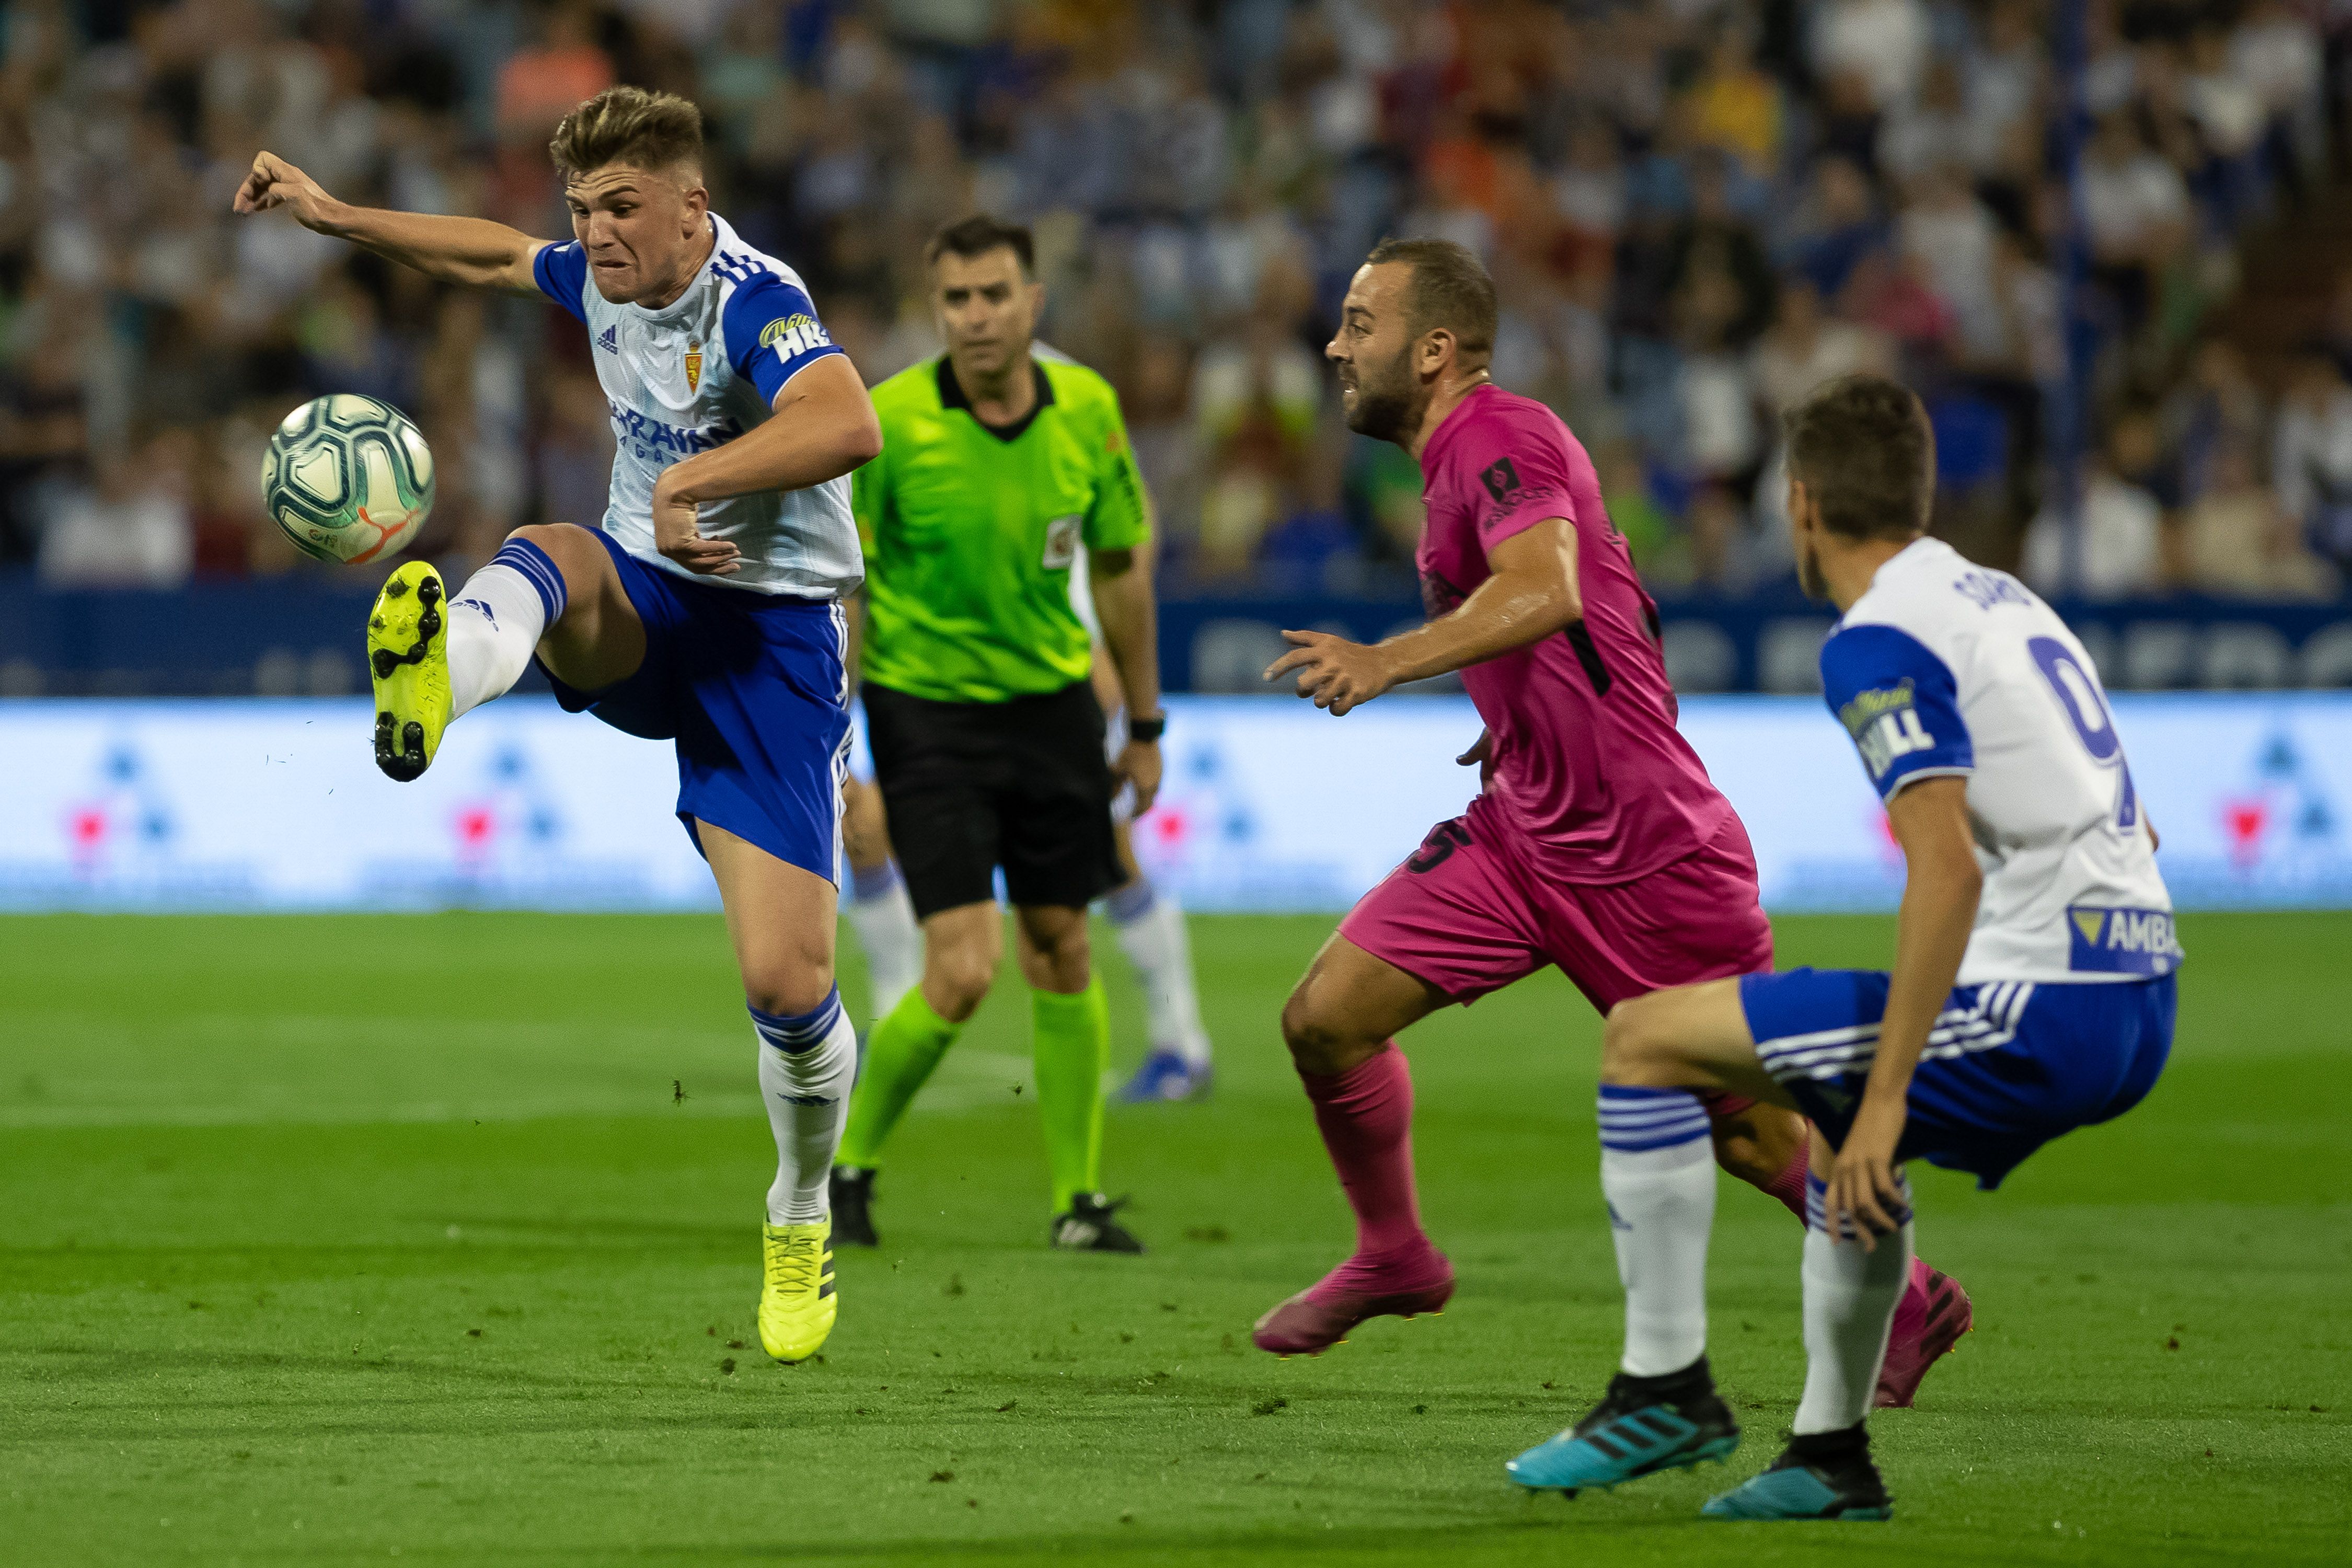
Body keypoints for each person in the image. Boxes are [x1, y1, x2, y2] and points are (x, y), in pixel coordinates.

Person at [1252, 240, 1967, 1410]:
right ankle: (1396, 1255)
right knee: (1326, 1021)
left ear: (1433, 351)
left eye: (1359, 323)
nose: (1336, 346)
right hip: (1528, 832)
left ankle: (1917, 1290)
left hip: (1648, 856)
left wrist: (1388, 662)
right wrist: (1524, 716)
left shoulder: (1499, 437)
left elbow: (1551, 589)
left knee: (1745, 1135)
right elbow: (1606, 609)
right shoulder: (1457, 462)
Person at [233, 86, 881, 1366]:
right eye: (583, 211)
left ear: (693, 207)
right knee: (551, 552)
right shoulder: (597, 276)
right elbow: (483, 250)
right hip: (647, 600)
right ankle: (435, 687)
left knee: (787, 987)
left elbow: (845, 421)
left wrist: (699, 473)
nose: (596, 235)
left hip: (774, 643)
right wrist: (331, 214)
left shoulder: (755, 297)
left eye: (623, 208)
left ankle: (799, 1210)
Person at [1508, 374, 2176, 1520]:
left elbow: (1949, 865)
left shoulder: (1873, 640)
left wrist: (1885, 1101)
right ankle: (1829, 1458)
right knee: (1824, 1138)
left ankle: (1665, 1386)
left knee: (1647, 1039)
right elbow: (2137, 825)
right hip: (2141, 992)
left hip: (2050, 1009)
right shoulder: (2005, 598)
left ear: (1803, 505)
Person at [829, 215, 1163, 1253]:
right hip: (926, 716)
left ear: (1033, 304)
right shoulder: (885, 425)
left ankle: (1079, 1203)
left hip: (1054, 709)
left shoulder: (1091, 413)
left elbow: (1119, 570)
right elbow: (850, 599)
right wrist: (842, 751)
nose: (976, 317)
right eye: (956, 300)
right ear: (938, 311)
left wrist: (1145, 722)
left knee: (1063, 948)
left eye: (994, 296)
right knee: (965, 971)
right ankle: (846, 1170)